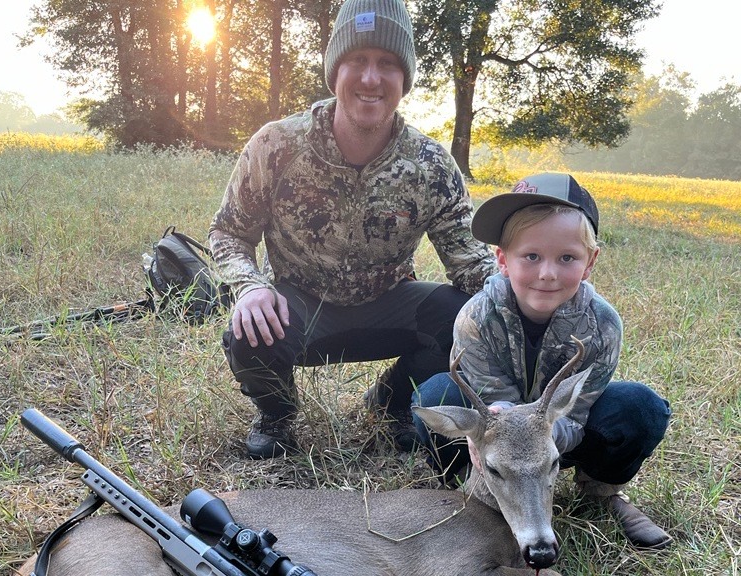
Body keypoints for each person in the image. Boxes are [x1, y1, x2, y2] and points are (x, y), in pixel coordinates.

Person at [208, 0, 496, 460]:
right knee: (248, 331)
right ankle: (278, 416)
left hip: (388, 306)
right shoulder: (277, 144)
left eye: (386, 64)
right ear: (334, 71)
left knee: (466, 316)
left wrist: (532, 294)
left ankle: (391, 403)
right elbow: (228, 233)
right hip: (297, 306)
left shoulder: (430, 164)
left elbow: (470, 261)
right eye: (356, 61)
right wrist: (250, 288)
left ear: (404, 80)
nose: (370, 78)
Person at [411, 172, 673, 549]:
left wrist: (542, 438)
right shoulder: (476, 317)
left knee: (639, 407)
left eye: (567, 258)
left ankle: (602, 493)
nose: (547, 273)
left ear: (590, 262)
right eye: (530, 256)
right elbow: (494, 404)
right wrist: (493, 431)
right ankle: (476, 496)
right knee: (435, 396)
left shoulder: (602, 325)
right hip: (496, 447)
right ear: (502, 259)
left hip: (556, 444)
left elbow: (576, 415)